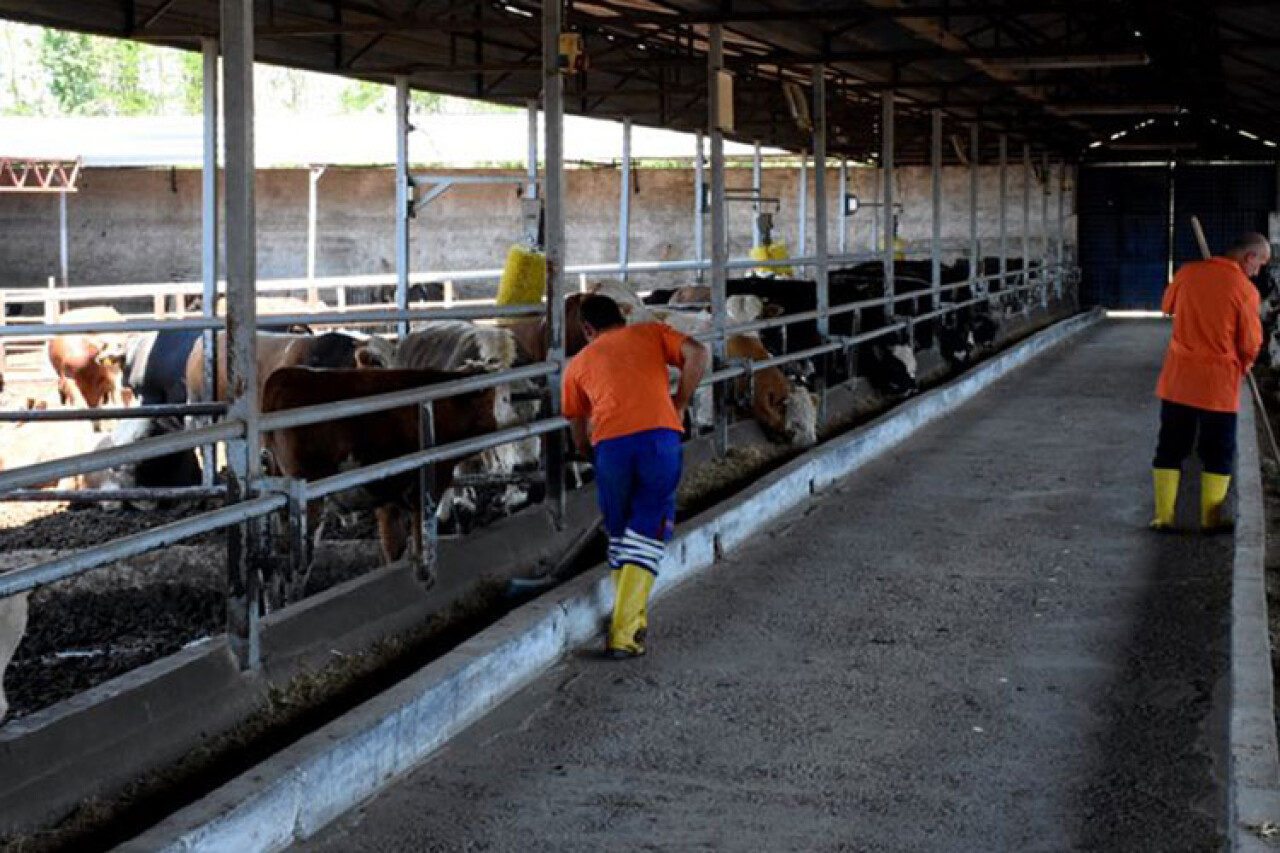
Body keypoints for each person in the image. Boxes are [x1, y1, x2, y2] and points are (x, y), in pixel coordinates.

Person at [561, 294, 710, 658]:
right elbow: (699, 353)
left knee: (621, 531)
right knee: (647, 530)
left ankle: (635, 619)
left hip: (610, 448)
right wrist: (682, 400)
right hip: (658, 439)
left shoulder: (577, 365)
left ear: (586, 329)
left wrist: (592, 455)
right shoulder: (651, 333)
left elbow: (577, 433)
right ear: (623, 316)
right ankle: (623, 633)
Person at [1151, 231, 1268, 532]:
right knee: (1217, 451)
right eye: (1261, 263)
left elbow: (1167, 307)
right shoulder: (1245, 290)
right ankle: (1210, 520)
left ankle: (1163, 518)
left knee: (1170, 447)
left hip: (1178, 379)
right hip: (1218, 384)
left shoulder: (1187, 272)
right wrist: (1247, 363)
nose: (1260, 270)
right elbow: (1251, 341)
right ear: (1249, 257)